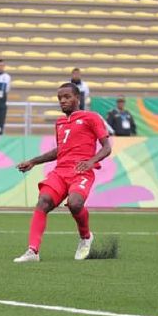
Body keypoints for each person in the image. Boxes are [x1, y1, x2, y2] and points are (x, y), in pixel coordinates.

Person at [13, 83, 112, 263]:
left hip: (81, 170)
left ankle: (85, 237)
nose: (63, 101)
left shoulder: (91, 117)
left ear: (77, 98)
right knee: (43, 202)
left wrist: (91, 162)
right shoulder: (60, 123)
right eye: (60, 98)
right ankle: (32, 251)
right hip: (60, 172)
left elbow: (107, 148)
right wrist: (33, 162)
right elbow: (60, 150)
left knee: (75, 203)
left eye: (67, 97)